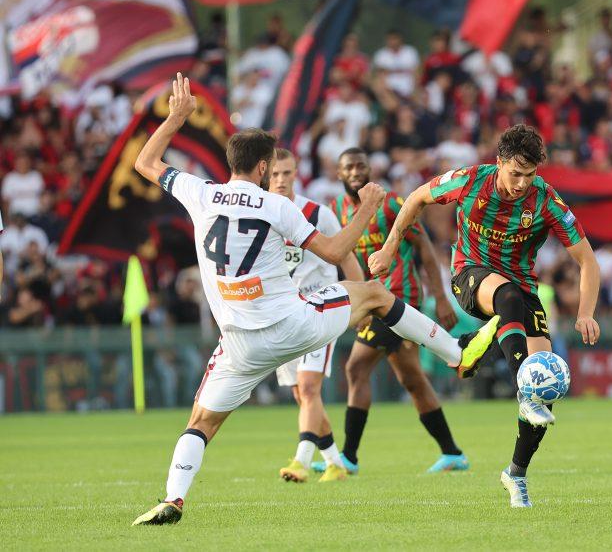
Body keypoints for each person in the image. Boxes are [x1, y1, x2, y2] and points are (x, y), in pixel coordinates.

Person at [130, 74, 498, 526]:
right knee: (376, 294)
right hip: (291, 323)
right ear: (264, 168)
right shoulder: (277, 206)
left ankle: (173, 498)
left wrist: (176, 118)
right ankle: (458, 354)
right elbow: (336, 252)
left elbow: (146, 162)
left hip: (237, 343)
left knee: (201, 421)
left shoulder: (200, 193)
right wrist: (367, 205)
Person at [368, 124, 602, 508]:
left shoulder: (546, 200)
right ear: (499, 164)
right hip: (470, 277)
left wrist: (586, 312)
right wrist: (391, 248)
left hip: (523, 290)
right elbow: (415, 199)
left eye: (530, 175)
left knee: (546, 386)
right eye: (515, 173)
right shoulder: (469, 180)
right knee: (509, 303)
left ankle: (516, 472)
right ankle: (521, 389)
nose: (522, 183)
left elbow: (587, 260)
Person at [325, 148, 468, 475]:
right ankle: (452, 452)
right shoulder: (335, 211)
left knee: (356, 368)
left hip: (400, 299)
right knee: (412, 380)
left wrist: (441, 298)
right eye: (349, 167)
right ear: (338, 173)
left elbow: (425, 250)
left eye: (362, 165)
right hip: (369, 302)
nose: (356, 171)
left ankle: (348, 457)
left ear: (371, 167)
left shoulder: (391, 205)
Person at [269, 149, 363, 484]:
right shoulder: (262, 215)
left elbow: (347, 260)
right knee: (302, 395)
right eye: (275, 174)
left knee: (309, 387)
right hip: (281, 314)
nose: (281, 180)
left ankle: (301, 461)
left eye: (287, 173)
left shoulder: (317, 213)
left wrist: (361, 300)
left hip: (318, 309)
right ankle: (335, 463)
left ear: (297, 174)